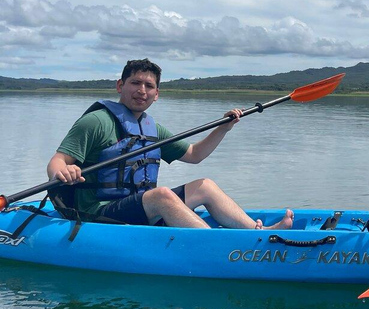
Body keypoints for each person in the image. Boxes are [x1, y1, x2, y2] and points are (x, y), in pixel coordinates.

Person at [46, 58, 293, 230]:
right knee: (161, 195)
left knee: (205, 185)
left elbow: (195, 154)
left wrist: (223, 128)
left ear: (157, 94)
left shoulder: (152, 129)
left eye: (149, 86)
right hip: (99, 211)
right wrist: (63, 170)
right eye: (135, 83)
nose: (142, 90)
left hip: (137, 206)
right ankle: (217, 245)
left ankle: (255, 231)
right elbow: (57, 161)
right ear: (120, 86)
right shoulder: (96, 121)